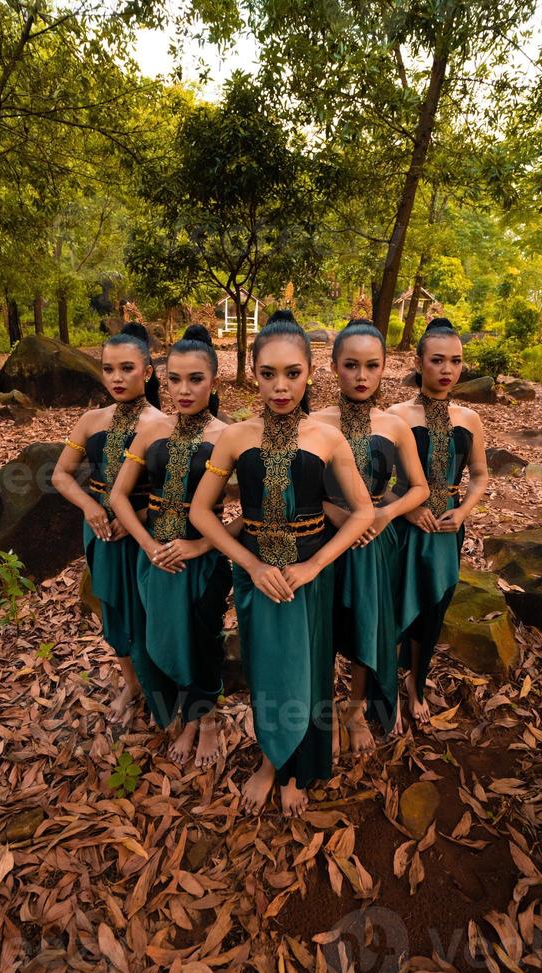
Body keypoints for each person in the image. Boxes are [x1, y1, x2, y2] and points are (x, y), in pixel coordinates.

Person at [190, 311, 374, 818]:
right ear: (253, 373)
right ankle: (271, 758)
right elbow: (201, 512)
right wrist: (249, 563)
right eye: (268, 374)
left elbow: (362, 513)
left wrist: (316, 566)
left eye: (292, 373)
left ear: (311, 373)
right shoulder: (234, 437)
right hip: (256, 578)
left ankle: (296, 769)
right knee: (266, 671)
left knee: (310, 673)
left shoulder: (326, 437)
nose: (280, 385)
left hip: (309, 577)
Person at [110, 325, 233, 769]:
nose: (184, 389)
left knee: (204, 639)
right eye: (174, 379)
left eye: (195, 379)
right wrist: (145, 544)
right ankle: (182, 712)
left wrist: (201, 546)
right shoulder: (151, 430)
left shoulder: (229, 436)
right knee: (162, 637)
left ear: (214, 381)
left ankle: (207, 719)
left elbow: (253, 514)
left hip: (204, 559)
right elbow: (119, 496)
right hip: (155, 556)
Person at [311, 319, 429, 755]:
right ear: (333, 367)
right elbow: (306, 491)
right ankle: (320, 708)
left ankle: (356, 709)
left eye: (371, 366)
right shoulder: (313, 422)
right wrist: (338, 515)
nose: (361, 377)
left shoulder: (394, 425)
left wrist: (384, 514)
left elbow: (419, 487)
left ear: (385, 368)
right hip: (322, 538)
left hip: (376, 543)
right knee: (323, 626)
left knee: (368, 622)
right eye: (351, 365)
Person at [52, 326, 164, 718]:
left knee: (149, 608)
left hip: (147, 529)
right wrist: (90, 507)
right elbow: (61, 475)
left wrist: (140, 516)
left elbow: (179, 495)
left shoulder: (164, 424)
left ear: (147, 373)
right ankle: (131, 685)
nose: (116, 378)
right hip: (100, 527)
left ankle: (161, 688)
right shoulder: (91, 420)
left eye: (127, 368)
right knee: (113, 609)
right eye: (108, 369)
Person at [388, 318, 488, 724]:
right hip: (402, 528)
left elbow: (480, 475)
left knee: (434, 608)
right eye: (438, 360)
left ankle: (416, 681)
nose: (447, 370)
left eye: (456, 361)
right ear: (419, 362)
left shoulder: (470, 419)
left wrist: (462, 511)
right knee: (396, 607)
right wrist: (406, 507)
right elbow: (373, 482)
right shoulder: (394, 415)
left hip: (447, 529)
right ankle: (383, 684)